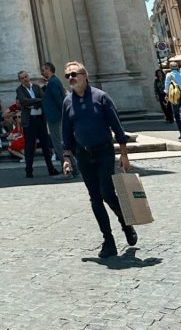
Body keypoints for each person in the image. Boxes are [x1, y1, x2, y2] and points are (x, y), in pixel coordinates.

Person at [61, 60, 137, 259]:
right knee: (95, 198)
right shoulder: (67, 102)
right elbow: (66, 131)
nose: (71, 78)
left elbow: (117, 127)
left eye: (74, 74)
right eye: (68, 75)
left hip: (104, 152)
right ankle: (108, 240)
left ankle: (125, 223)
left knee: (107, 193)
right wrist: (67, 157)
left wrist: (124, 154)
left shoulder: (101, 97)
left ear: (85, 76)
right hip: (83, 155)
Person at [16, 70, 59, 178]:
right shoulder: (19, 90)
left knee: (45, 146)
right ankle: (29, 170)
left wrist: (33, 104)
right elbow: (24, 101)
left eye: (26, 76)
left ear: (28, 76)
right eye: (22, 78)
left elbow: (44, 99)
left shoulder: (36, 87)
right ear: (20, 80)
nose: (25, 79)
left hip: (40, 119)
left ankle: (51, 168)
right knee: (29, 147)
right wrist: (37, 101)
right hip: (29, 121)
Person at [42, 61, 71, 170]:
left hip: (55, 117)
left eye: (43, 70)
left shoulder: (53, 82)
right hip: (56, 116)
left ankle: (69, 168)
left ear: (48, 69)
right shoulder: (54, 81)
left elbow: (59, 99)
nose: (42, 72)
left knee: (58, 144)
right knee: (59, 143)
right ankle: (71, 167)